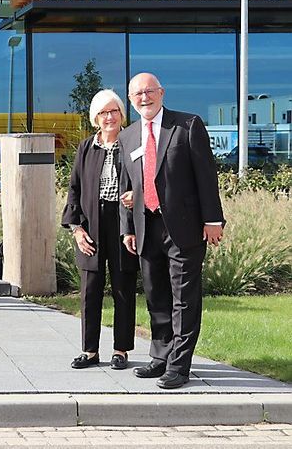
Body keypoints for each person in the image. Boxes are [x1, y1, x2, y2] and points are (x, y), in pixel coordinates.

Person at [119, 72, 224, 389]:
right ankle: (160, 356)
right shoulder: (128, 135)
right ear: (130, 98)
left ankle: (179, 366)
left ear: (162, 93)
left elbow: (206, 176)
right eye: (137, 93)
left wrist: (213, 220)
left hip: (185, 228)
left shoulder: (186, 125)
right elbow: (129, 186)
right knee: (156, 295)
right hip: (146, 227)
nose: (144, 98)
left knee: (184, 299)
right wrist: (128, 228)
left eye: (149, 91)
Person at [62, 89, 139, 370]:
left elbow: (144, 182)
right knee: (90, 289)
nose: (109, 117)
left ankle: (121, 350)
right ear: (96, 117)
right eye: (103, 112)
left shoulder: (132, 143)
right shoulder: (85, 147)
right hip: (91, 224)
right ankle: (90, 350)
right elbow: (74, 189)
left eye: (114, 111)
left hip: (123, 223)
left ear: (121, 114)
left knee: (123, 287)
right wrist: (76, 229)